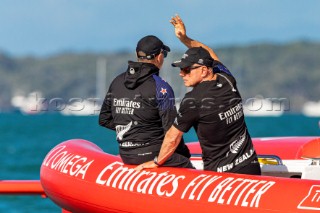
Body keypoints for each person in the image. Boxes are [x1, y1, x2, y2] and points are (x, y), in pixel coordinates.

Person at [136, 15, 261, 175]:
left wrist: (157, 162)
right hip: (251, 167)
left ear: (203, 70)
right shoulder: (227, 78)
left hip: (222, 178)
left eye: (187, 69)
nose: (182, 74)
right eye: (181, 69)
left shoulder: (193, 100)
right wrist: (184, 38)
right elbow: (209, 53)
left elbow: (172, 138)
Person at [99, 35, 194, 168]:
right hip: (153, 154)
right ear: (159, 56)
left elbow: (104, 119)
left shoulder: (117, 81)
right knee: (187, 163)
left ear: (137, 54)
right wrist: (184, 155)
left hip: (126, 155)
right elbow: (171, 131)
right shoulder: (161, 87)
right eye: (164, 54)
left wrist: (134, 131)